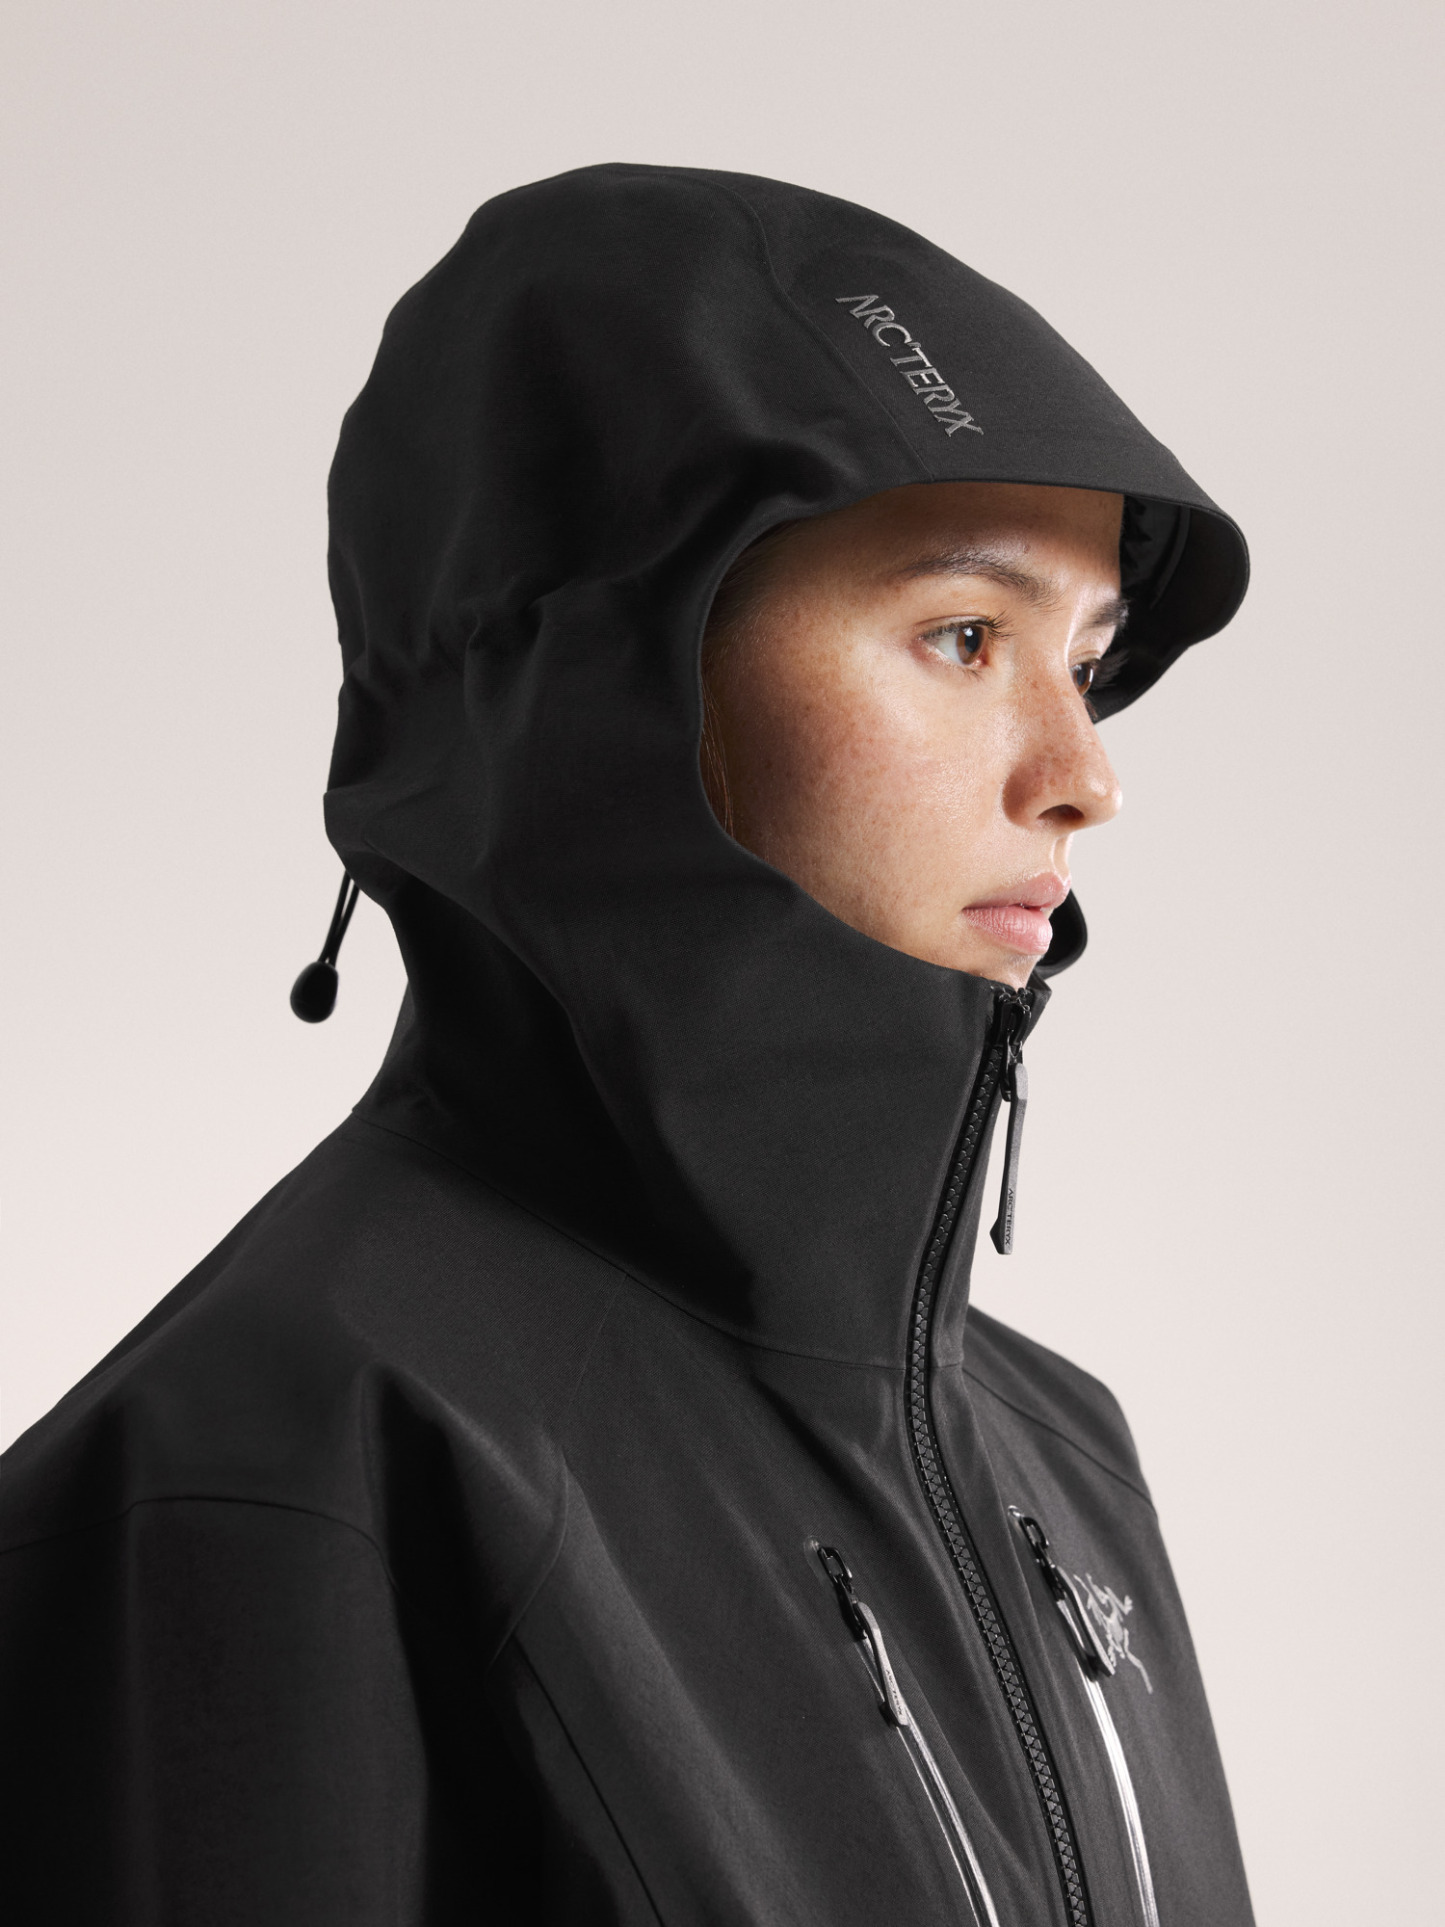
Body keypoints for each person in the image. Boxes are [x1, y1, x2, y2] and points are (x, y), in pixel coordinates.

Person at [0, 164, 1254, 1924]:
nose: (1083, 774)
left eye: (1090, 656)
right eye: (964, 637)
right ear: (604, 687)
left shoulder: (1060, 1453)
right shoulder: (278, 1463)